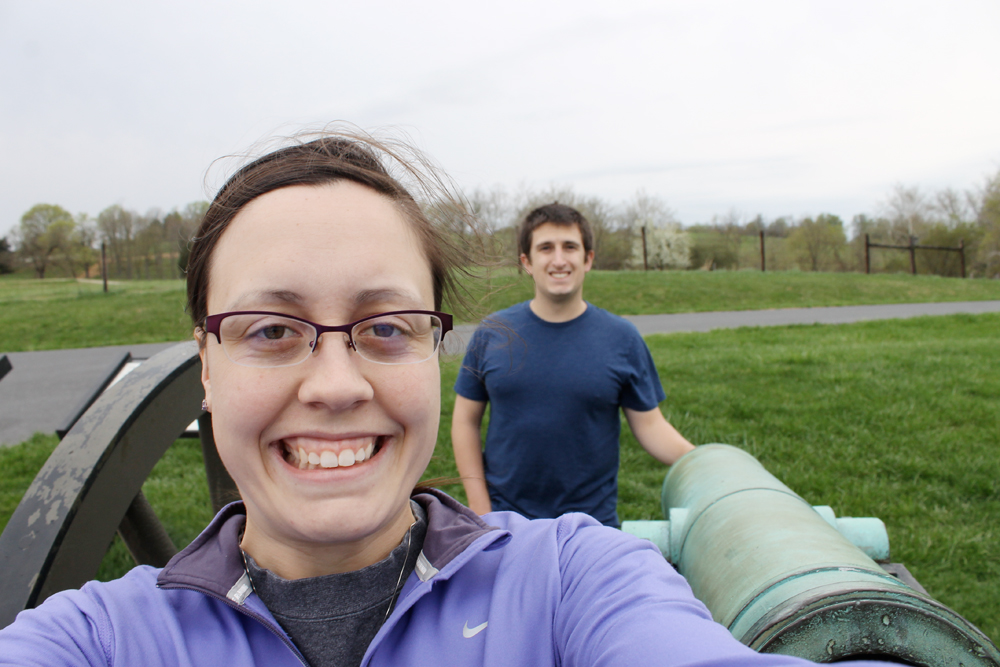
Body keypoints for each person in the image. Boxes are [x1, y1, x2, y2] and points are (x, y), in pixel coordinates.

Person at [0, 131, 878, 667]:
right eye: (271, 328)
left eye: (387, 327)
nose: (338, 385)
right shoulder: (97, 640)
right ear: (205, 361)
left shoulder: (578, 579)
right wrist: (486, 504)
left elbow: (650, 430)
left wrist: (715, 472)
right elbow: (467, 422)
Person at [452, 203, 695, 527]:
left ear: (588, 259)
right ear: (527, 262)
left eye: (570, 247)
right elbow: (464, 423)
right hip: (506, 523)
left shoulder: (622, 338)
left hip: (592, 527)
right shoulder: (494, 333)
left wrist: (705, 462)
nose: (559, 259)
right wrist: (482, 511)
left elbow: (651, 426)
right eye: (545, 248)